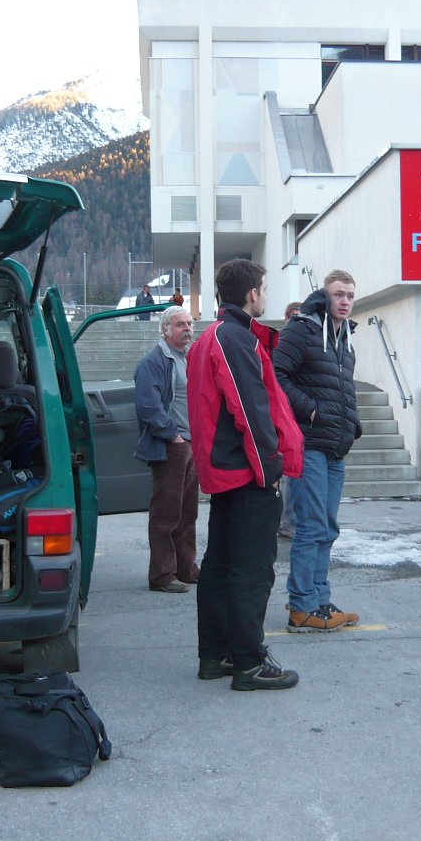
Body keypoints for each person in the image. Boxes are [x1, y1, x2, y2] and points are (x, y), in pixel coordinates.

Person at [188, 259, 304, 691]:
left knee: (221, 566)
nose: (266, 296)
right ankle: (249, 663)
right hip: (246, 474)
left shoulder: (214, 336)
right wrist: (270, 470)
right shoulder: (233, 338)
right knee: (251, 570)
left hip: (228, 473)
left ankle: (215, 655)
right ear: (252, 293)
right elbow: (249, 410)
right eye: (265, 289)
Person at [274, 270, 361, 633]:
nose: (345, 301)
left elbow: (342, 387)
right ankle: (301, 607)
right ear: (324, 296)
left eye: (350, 296)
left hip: (335, 447)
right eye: (339, 294)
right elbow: (276, 375)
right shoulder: (302, 330)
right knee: (310, 526)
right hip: (309, 444)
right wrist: (311, 410)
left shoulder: (345, 338)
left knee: (327, 527)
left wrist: (353, 423)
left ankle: (320, 600)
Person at [134, 306, 199, 594]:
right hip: (171, 446)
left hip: (190, 444)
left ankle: (186, 568)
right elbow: (147, 406)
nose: (187, 329)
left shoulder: (189, 358)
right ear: (165, 329)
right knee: (166, 513)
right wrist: (173, 436)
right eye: (180, 324)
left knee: (188, 513)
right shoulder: (154, 361)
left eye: (190, 324)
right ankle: (161, 575)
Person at [278, 301, 302, 540]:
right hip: (284, 415)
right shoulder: (281, 343)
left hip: (297, 416)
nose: (297, 322)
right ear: (286, 318)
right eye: (294, 317)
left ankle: (290, 519)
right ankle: (287, 520)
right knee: (288, 472)